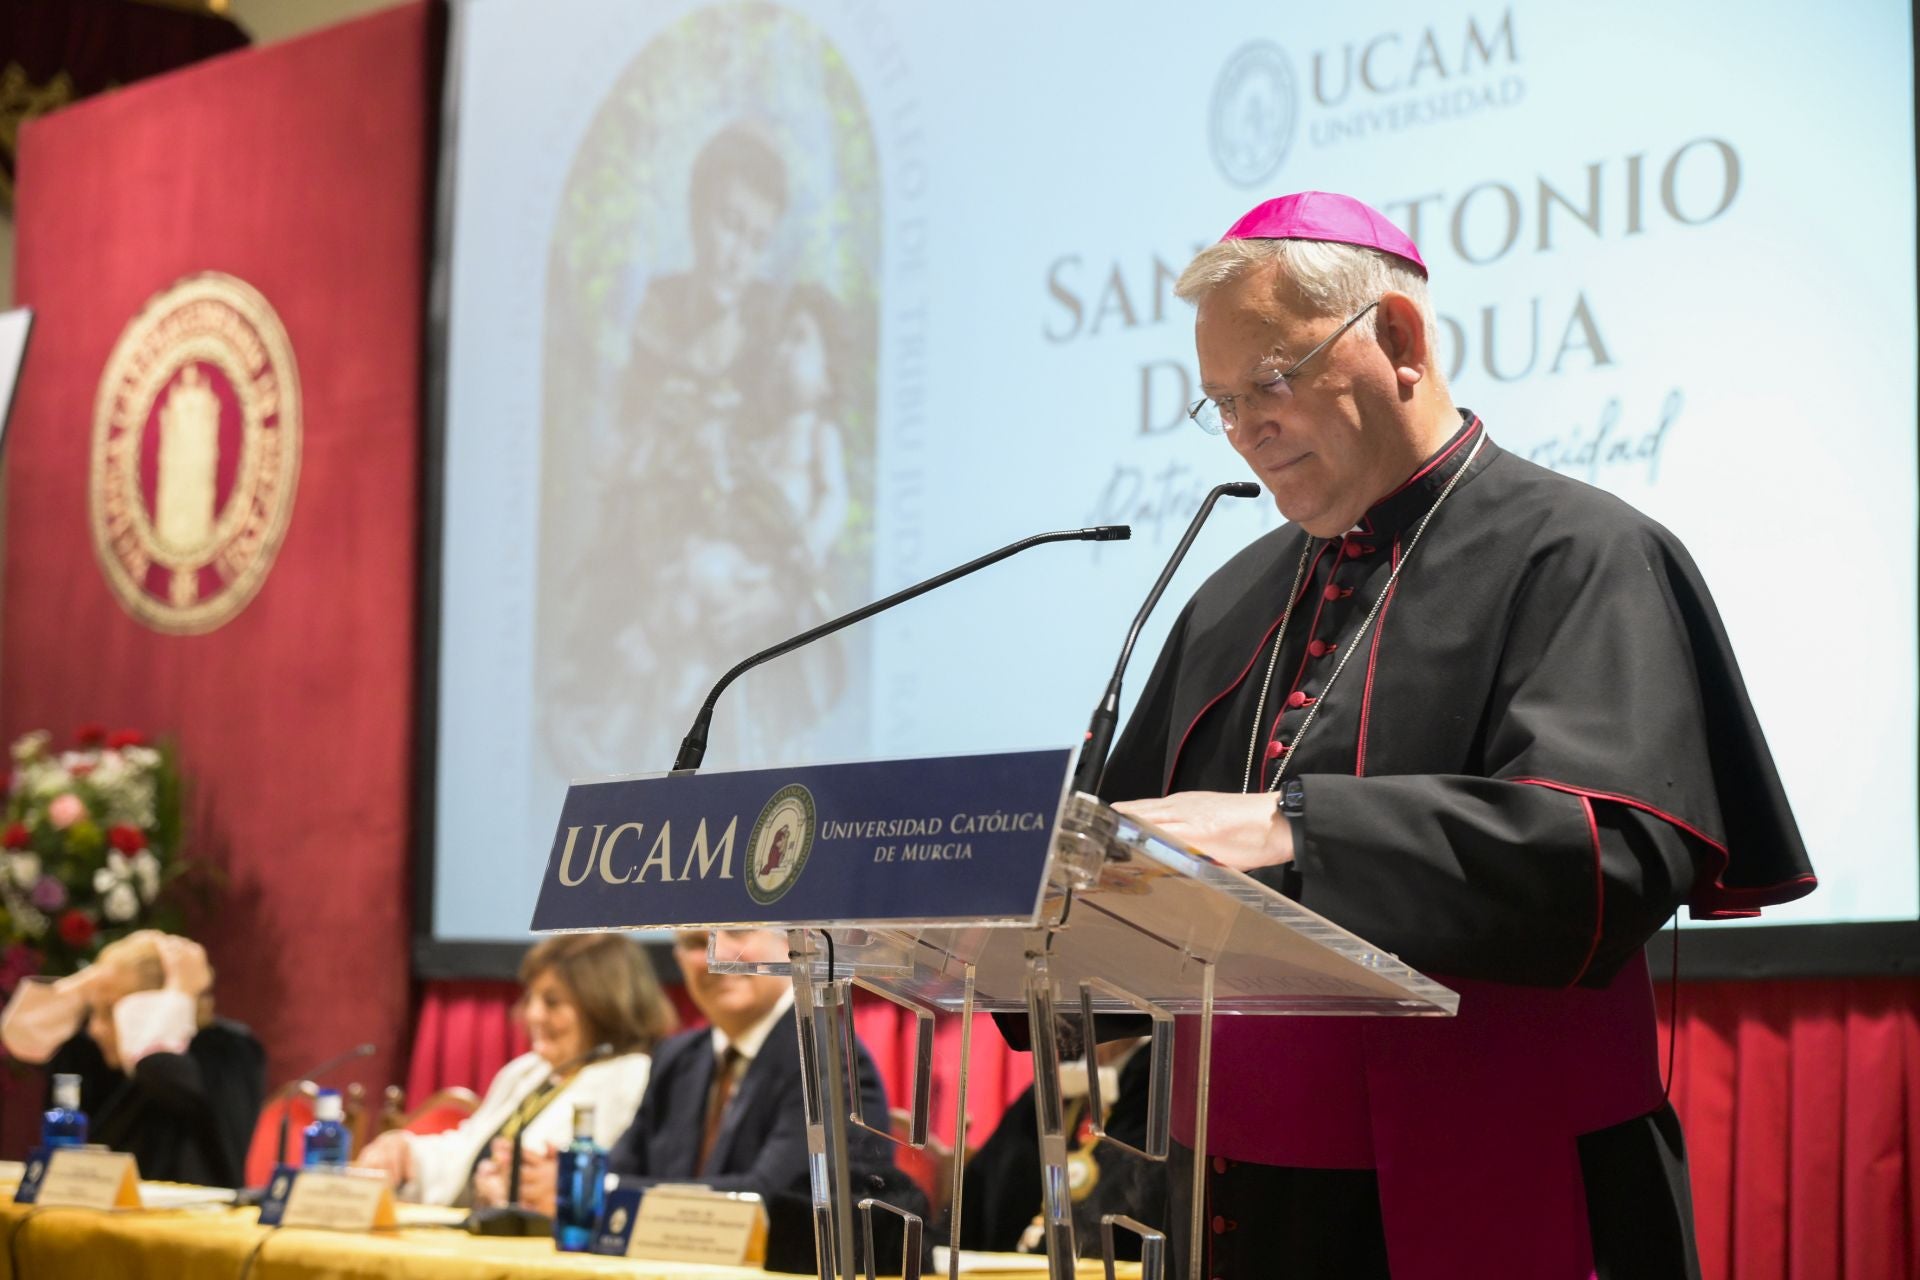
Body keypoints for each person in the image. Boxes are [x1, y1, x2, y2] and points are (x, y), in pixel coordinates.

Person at [1091, 191, 1815, 1278]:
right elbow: (1115, 878)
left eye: (1272, 381)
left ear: (1400, 340)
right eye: (1221, 402)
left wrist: (1291, 825)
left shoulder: (1584, 552)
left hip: (1493, 1181)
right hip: (1229, 1205)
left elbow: (1608, 852)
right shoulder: (1229, 598)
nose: (1244, 428)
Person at [601, 929, 926, 1269]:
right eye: (697, 943)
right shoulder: (675, 1058)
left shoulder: (826, 1056)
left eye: (738, 932)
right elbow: (620, 1169)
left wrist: (607, 1189)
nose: (718, 955)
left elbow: (767, 1198)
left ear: (791, 944)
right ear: (678, 959)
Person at [354, 932, 675, 1206]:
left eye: (552, 1002)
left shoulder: (632, 1078)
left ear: (604, 1007)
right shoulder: (527, 1071)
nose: (532, 1015)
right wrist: (405, 1152)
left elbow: (577, 1176)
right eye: (531, 998)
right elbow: (468, 1150)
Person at [0, 931, 264, 1188]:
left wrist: (178, 989)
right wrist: (89, 981)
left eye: (108, 1011)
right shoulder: (92, 1055)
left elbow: (158, 1068)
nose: (94, 1028)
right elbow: (23, 1034)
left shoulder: (226, 1050)